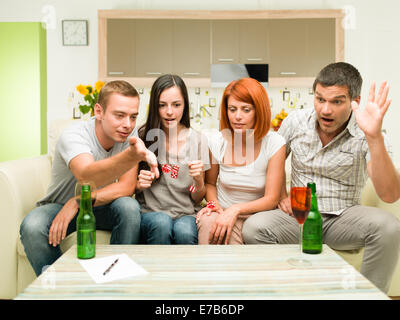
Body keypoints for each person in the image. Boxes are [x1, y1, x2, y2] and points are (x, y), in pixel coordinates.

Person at [242, 62, 400, 293]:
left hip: (343, 218)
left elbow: (389, 194)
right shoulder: (295, 122)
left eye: (337, 101)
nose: (326, 109)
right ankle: (282, 294)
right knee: (254, 228)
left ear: (355, 102)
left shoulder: (368, 132)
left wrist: (374, 137)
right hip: (299, 217)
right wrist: (281, 195)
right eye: (320, 99)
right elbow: (270, 164)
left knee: (389, 227)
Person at [20, 80, 159, 276]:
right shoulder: (74, 135)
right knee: (33, 226)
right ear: (99, 111)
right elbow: (86, 175)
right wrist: (132, 156)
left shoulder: (130, 134)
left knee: (128, 207)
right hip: (59, 205)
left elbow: (126, 188)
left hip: (99, 207)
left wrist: (78, 201)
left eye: (133, 117)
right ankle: (58, 289)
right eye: (119, 115)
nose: (127, 125)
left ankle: (115, 278)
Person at [196, 77, 286, 245]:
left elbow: (272, 199)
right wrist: (215, 206)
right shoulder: (216, 141)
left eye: (246, 110)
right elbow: (209, 184)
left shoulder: (275, 143)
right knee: (208, 221)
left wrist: (235, 210)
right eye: (232, 109)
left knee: (242, 229)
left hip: (258, 215)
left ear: (258, 111)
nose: (237, 116)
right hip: (222, 210)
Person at [135, 74, 210, 244]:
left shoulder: (199, 140)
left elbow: (197, 197)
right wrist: (138, 185)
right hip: (151, 214)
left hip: (186, 214)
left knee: (184, 232)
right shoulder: (142, 137)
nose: (170, 112)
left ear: (185, 105)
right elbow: (129, 188)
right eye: (162, 105)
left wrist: (198, 181)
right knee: (162, 224)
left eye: (176, 105)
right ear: (155, 106)